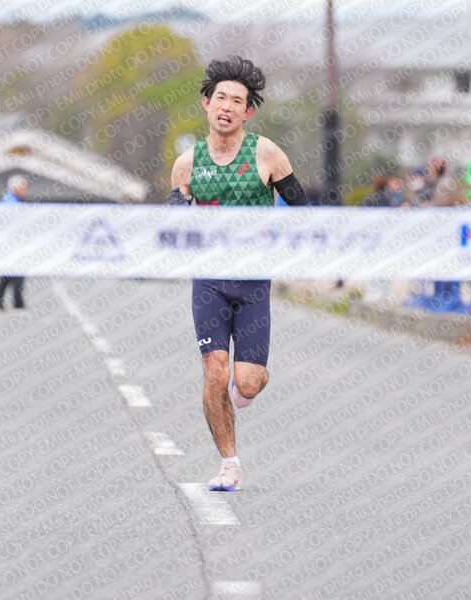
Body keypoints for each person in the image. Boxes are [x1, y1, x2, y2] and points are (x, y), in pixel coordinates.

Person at [168, 55, 307, 492]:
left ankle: (238, 395)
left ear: (247, 112)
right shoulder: (187, 164)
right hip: (209, 281)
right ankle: (229, 464)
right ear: (206, 104)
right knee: (215, 372)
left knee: (247, 382)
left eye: (237, 101)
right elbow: (173, 225)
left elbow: (303, 211)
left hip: (253, 283)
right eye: (220, 98)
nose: (227, 106)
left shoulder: (267, 154)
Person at [0, 175, 28, 311]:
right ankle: (15, 302)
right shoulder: (10, 202)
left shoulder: (13, 200)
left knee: (8, 273)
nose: (25, 190)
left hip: (14, 243)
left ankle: (3, 301)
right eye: (22, 187)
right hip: (10, 243)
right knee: (13, 272)